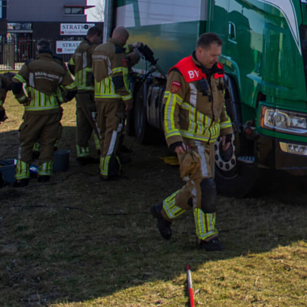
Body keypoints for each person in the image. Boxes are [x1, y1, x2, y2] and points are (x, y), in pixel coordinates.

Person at [151, 32, 233, 252]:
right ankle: (207, 237)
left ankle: (164, 211)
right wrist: (174, 140)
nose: (216, 59)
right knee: (205, 188)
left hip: (210, 140)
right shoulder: (180, 73)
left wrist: (227, 132)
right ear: (200, 51)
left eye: (218, 55)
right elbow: (169, 110)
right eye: (213, 55)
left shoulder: (217, 71)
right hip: (190, 142)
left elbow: (220, 105)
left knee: (196, 187)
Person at [12, 40, 75, 185]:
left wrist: (22, 99)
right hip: (52, 111)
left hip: (33, 111)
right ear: (51, 54)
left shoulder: (30, 65)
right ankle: (44, 174)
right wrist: (60, 99)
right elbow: (72, 88)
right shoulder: (58, 68)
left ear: (38, 54)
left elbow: (16, 83)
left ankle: (22, 176)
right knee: (48, 142)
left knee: (26, 143)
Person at [93, 27, 133, 180]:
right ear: (123, 37)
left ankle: (104, 166)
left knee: (104, 132)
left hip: (100, 97)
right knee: (113, 132)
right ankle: (108, 170)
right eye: (126, 39)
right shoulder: (117, 51)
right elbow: (119, 77)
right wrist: (127, 98)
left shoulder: (99, 49)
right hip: (113, 98)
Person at [69, 26, 103, 164]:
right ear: (95, 36)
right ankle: (103, 150)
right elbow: (103, 52)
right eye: (99, 38)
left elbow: (70, 64)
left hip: (80, 91)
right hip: (88, 91)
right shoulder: (88, 48)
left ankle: (83, 155)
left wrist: (78, 77)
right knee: (97, 121)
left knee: (83, 124)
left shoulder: (79, 48)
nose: (99, 42)